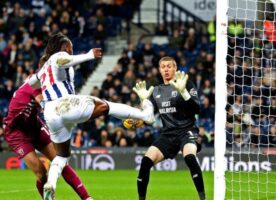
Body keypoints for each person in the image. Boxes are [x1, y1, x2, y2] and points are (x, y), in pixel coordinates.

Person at [28, 33, 154, 200]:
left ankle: (51, 184)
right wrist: (89, 55)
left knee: (62, 155)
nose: (71, 50)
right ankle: (145, 115)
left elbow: (30, 83)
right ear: (65, 46)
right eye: (70, 47)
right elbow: (62, 60)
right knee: (105, 105)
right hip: (64, 104)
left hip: (50, 114)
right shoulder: (59, 55)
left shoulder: (43, 70)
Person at [2, 82, 93, 200]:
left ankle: (87, 198)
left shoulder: (51, 84)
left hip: (34, 125)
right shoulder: (35, 84)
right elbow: (45, 105)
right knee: (41, 174)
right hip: (17, 133)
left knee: (60, 160)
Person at [133, 56, 206, 200]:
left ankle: (203, 198)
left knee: (190, 157)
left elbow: (196, 109)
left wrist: (184, 92)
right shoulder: (156, 90)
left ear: (175, 68)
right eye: (163, 67)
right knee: (146, 161)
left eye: (169, 66)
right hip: (167, 134)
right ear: (159, 70)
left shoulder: (186, 84)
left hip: (187, 130)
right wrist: (142, 106)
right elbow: (149, 118)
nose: (166, 69)